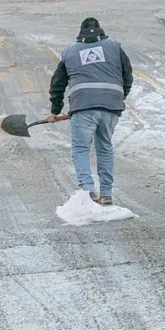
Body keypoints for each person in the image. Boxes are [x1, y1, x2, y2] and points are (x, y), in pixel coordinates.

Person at [48, 18, 133, 206]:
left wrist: (55, 110)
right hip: (111, 106)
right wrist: (117, 98)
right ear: (101, 31)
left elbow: (57, 84)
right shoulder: (114, 47)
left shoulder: (71, 52)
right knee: (104, 146)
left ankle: (87, 191)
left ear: (80, 34)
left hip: (83, 106)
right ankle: (106, 193)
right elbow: (128, 76)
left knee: (81, 148)